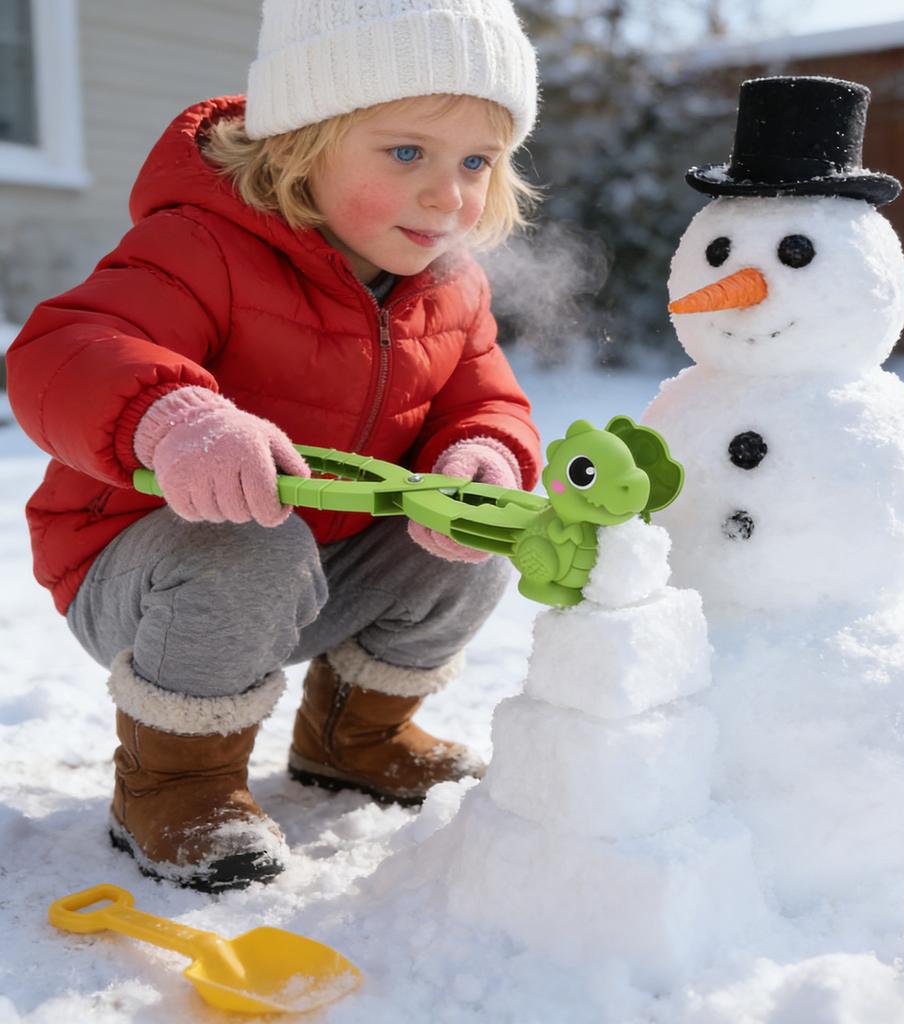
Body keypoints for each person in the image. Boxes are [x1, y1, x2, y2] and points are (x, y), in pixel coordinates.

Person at [5, 0, 542, 892]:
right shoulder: (202, 245)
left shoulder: (451, 289)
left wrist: (483, 452)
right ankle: (174, 784)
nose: (449, 195)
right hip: (149, 574)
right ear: (299, 144)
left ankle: (356, 736)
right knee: (248, 545)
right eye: (407, 153)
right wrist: (175, 418)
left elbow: (486, 400)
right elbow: (61, 350)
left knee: (470, 534)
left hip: (320, 570)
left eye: (476, 162)